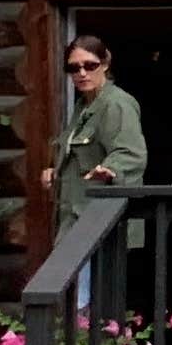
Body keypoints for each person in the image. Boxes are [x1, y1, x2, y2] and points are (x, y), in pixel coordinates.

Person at [54, 31, 148, 225]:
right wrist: (54, 169)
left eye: (90, 66)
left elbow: (131, 153)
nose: (82, 73)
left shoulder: (117, 103)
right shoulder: (82, 105)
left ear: (105, 64)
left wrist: (111, 168)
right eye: (74, 68)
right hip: (75, 214)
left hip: (104, 219)